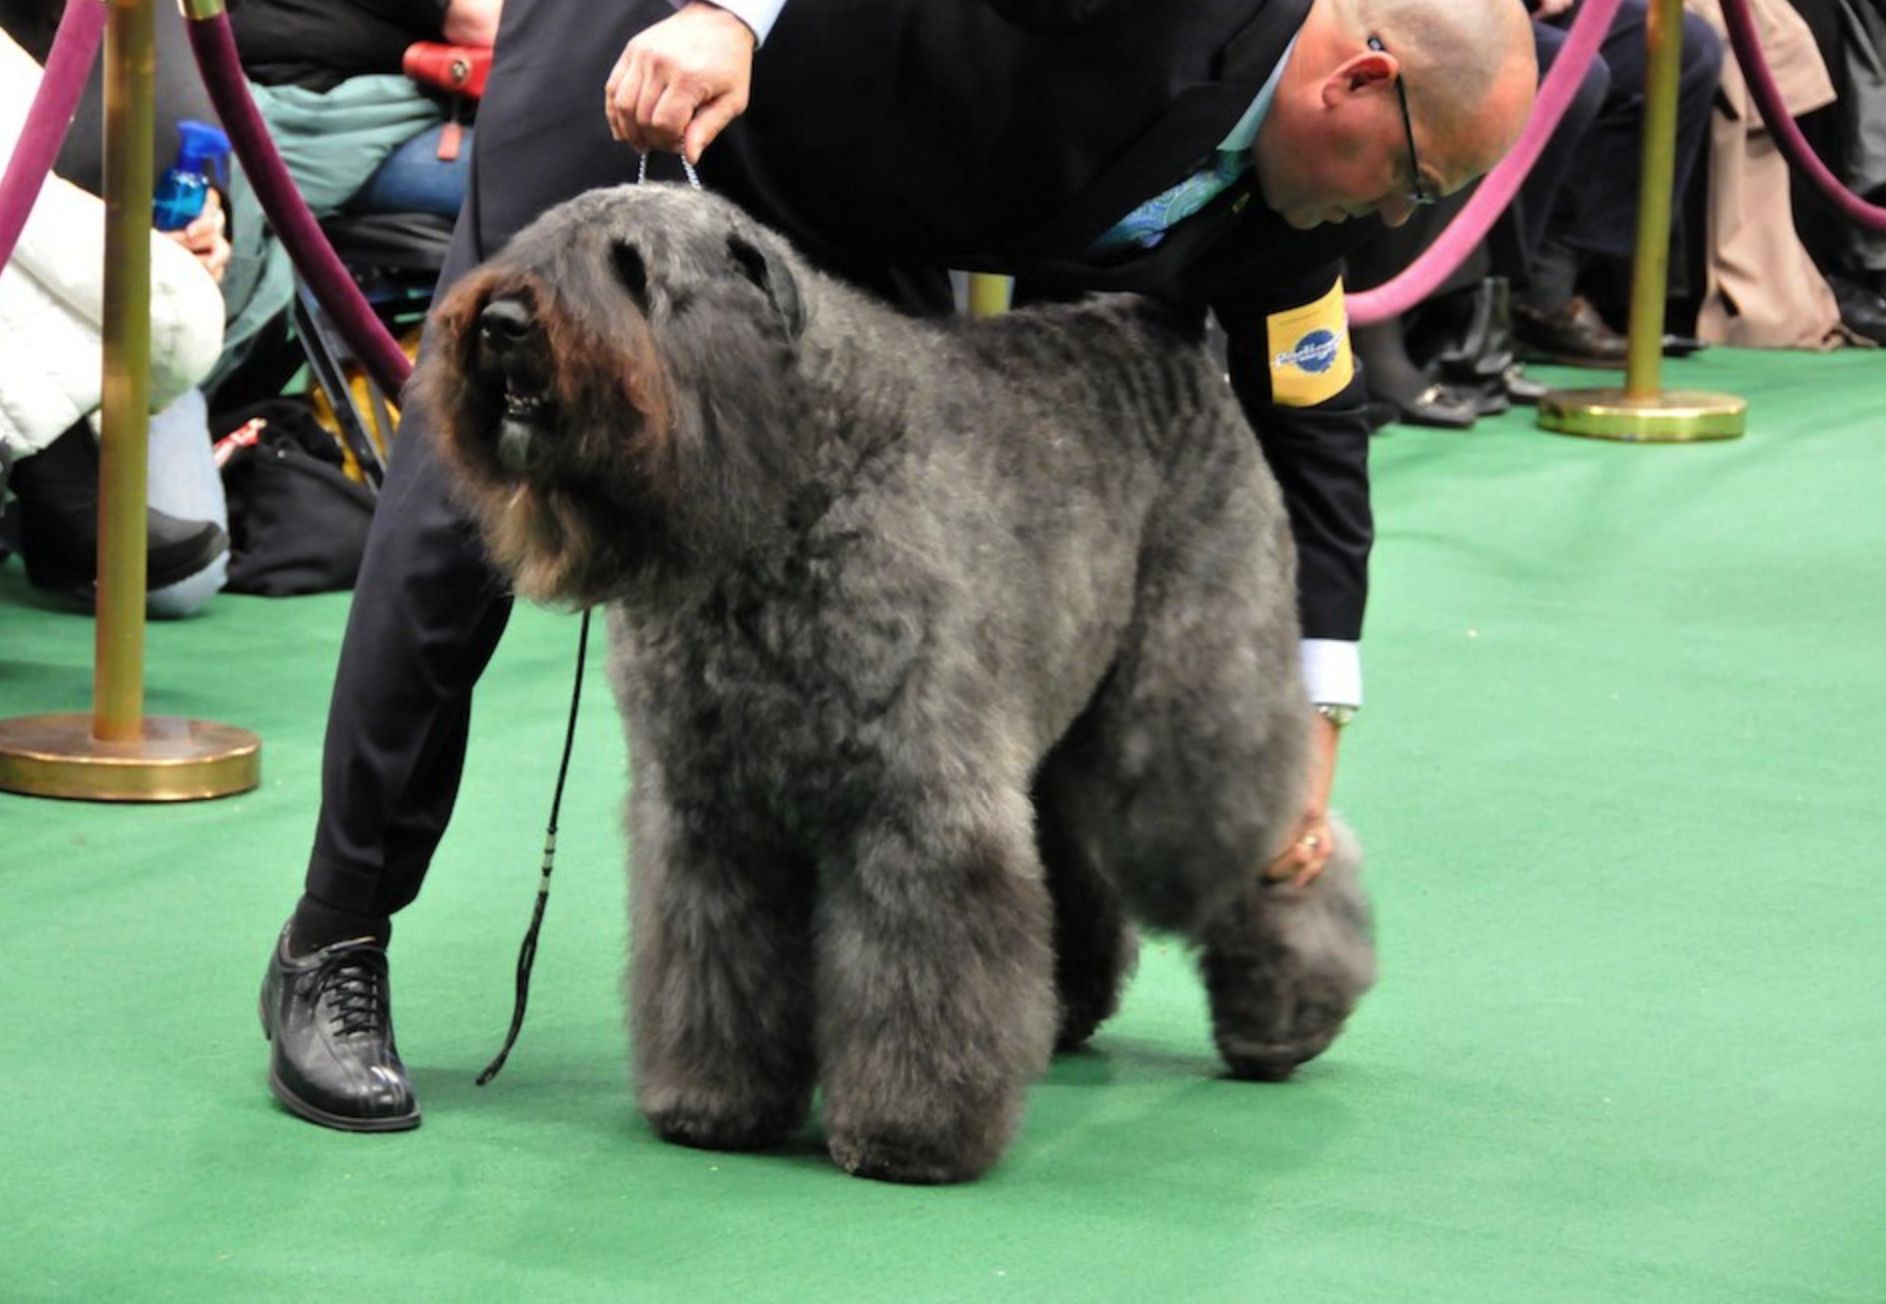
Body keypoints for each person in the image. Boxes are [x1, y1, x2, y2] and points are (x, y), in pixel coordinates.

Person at [259, 0, 1538, 1132]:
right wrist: (729, 15)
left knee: (924, 542)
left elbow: (1311, 443)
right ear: (1358, 85)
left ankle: (965, 971)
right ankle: (335, 939)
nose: (1393, 220)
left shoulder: (1281, 204)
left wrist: (1312, 725)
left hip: (860, 173)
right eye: (1415, 185)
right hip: (659, 49)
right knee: (467, 492)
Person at [0, 8, 232, 618]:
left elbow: (202, 142)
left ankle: (48, 492)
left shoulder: (146, 10)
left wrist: (209, 227)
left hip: (121, 320)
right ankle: (52, 480)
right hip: (63, 303)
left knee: (179, 588)